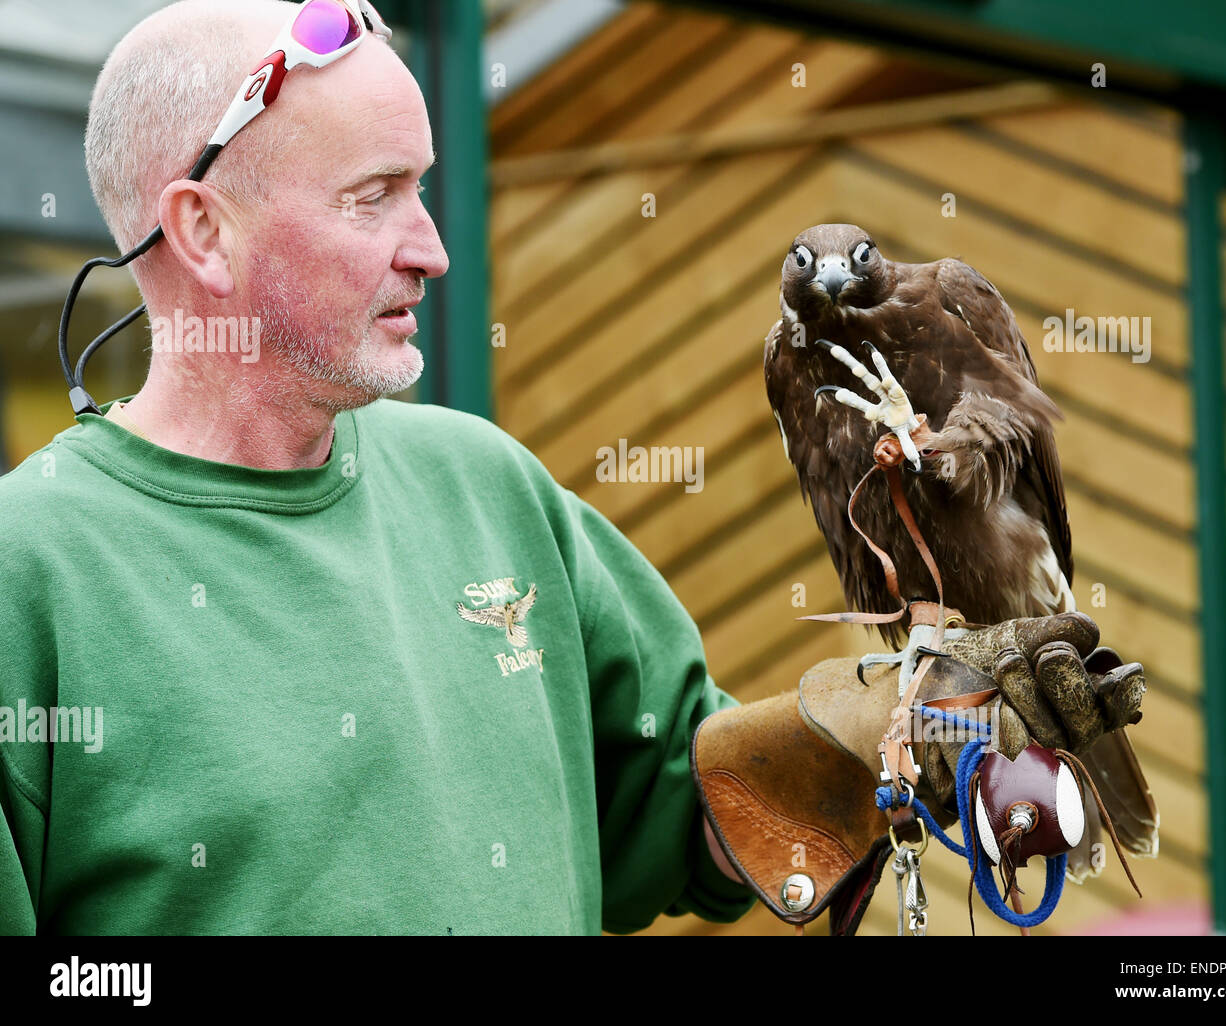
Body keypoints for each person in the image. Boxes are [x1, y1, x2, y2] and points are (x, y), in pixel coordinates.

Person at [0, 0, 754, 935]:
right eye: (373, 196)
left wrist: (898, 740)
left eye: (423, 189)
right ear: (200, 231)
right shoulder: (26, 566)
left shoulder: (487, 485)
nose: (431, 250)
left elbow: (703, 810)